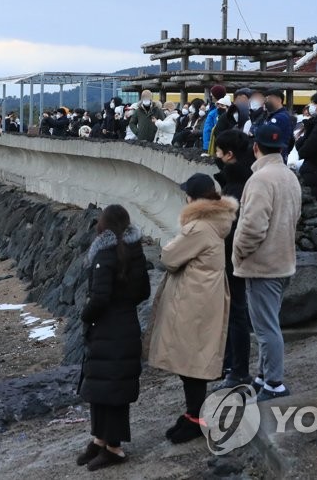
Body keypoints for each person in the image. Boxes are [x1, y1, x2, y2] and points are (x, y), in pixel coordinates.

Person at [149, 173, 236, 444]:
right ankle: (192, 415)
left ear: (193, 198)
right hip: (205, 297)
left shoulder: (199, 227)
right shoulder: (216, 222)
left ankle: (196, 418)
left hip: (193, 300)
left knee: (191, 360)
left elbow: (169, 257)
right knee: (195, 358)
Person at [77, 205, 151, 470]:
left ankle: (115, 449)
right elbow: (144, 291)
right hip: (126, 325)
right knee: (105, 387)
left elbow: (99, 297)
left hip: (107, 328)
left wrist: (85, 316)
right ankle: (100, 441)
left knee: (108, 388)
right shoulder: (136, 251)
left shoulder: (104, 253)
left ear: (103, 225)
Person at [233, 124, 302, 400]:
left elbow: (252, 226)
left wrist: (238, 252)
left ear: (255, 147)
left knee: (265, 329)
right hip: (283, 259)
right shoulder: (288, 176)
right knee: (268, 323)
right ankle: (263, 376)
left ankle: (275, 383)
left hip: (263, 264)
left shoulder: (260, 180)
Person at [213, 129, 255, 389]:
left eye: (218, 151)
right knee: (233, 313)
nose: (215, 156)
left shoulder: (236, 188)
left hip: (232, 260)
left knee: (236, 313)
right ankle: (229, 364)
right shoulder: (242, 180)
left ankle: (237, 369)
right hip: (233, 259)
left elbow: (236, 228)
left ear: (229, 155)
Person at [260, 90, 294, 161]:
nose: (266, 102)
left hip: (274, 157)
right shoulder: (273, 115)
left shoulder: (280, 117)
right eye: (265, 99)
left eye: (269, 99)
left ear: (278, 99)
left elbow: (268, 136)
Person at [201, 85, 226, 152]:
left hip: (212, 145)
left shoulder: (215, 111)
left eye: (212, 94)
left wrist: (206, 146)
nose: (211, 95)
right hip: (211, 143)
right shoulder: (212, 109)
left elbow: (209, 129)